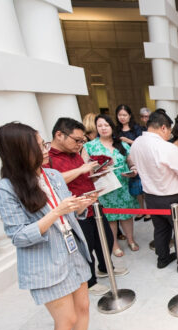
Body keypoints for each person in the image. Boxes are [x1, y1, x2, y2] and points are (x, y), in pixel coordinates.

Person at [0, 122, 111, 330]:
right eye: (39, 145)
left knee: (83, 307)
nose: (46, 149)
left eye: (44, 143)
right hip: (45, 261)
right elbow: (20, 236)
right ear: (19, 151)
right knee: (65, 319)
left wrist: (79, 207)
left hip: (72, 250)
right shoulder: (5, 189)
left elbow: (69, 214)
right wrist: (56, 212)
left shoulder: (53, 176)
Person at [48, 118, 129, 296]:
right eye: (76, 140)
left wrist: (97, 174)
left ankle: (105, 267)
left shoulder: (75, 154)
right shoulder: (49, 158)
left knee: (106, 239)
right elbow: (51, 181)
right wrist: (81, 170)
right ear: (59, 135)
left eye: (81, 141)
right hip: (75, 212)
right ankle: (89, 281)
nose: (79, 144)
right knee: (86, 247)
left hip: (93, 204)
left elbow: (83, 177)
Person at [130, 109, 178, 272]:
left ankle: (162, 258)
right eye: (169, 130)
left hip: (151, 196)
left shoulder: (136, 144)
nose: (169, 134)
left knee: (160, 229)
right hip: (173, 197)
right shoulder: (165, 147)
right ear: (163, 127)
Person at [83, 114, 140, 257]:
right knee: (111, 218)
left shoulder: (121, 143)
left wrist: (133, 170)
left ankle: (130, 240)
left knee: (127, 215)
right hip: (104, 188)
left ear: (112, 127)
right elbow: (85, 169)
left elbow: (131, 161)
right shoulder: (89, 146)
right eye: (100, 125)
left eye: (106, 125)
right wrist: (96, 170)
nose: (103, 128)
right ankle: (114, 244)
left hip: (123, 185)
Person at [115, 104, 146, 220]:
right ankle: (140, 210)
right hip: (125, 159)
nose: (122, 117)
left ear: (129, 116)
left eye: (124, 115)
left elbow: (142, 144)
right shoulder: (116, 130)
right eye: (120, 115)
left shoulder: (136, 128)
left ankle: (148, 211)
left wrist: (127, 141)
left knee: (142, 185)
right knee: (134, 187)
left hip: (138, 158)